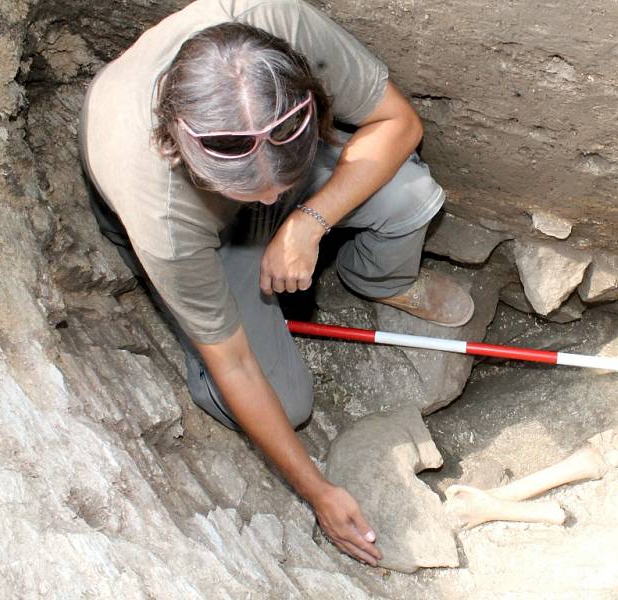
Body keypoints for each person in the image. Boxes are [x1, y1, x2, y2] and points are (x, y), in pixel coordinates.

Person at [78, 0, 473, 566]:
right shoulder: (163, 216)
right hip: (202, 233)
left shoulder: (269, 25)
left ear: (305, 103)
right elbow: (233, 364)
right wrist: (317, 491)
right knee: (286, 405)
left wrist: (306, 221)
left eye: (279, 181)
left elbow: (400, 123)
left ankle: (376, 279)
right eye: (251, 194)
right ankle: (199, 325)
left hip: (257, 160)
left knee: (412, 197)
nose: (268, 200)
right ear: (178, 149)